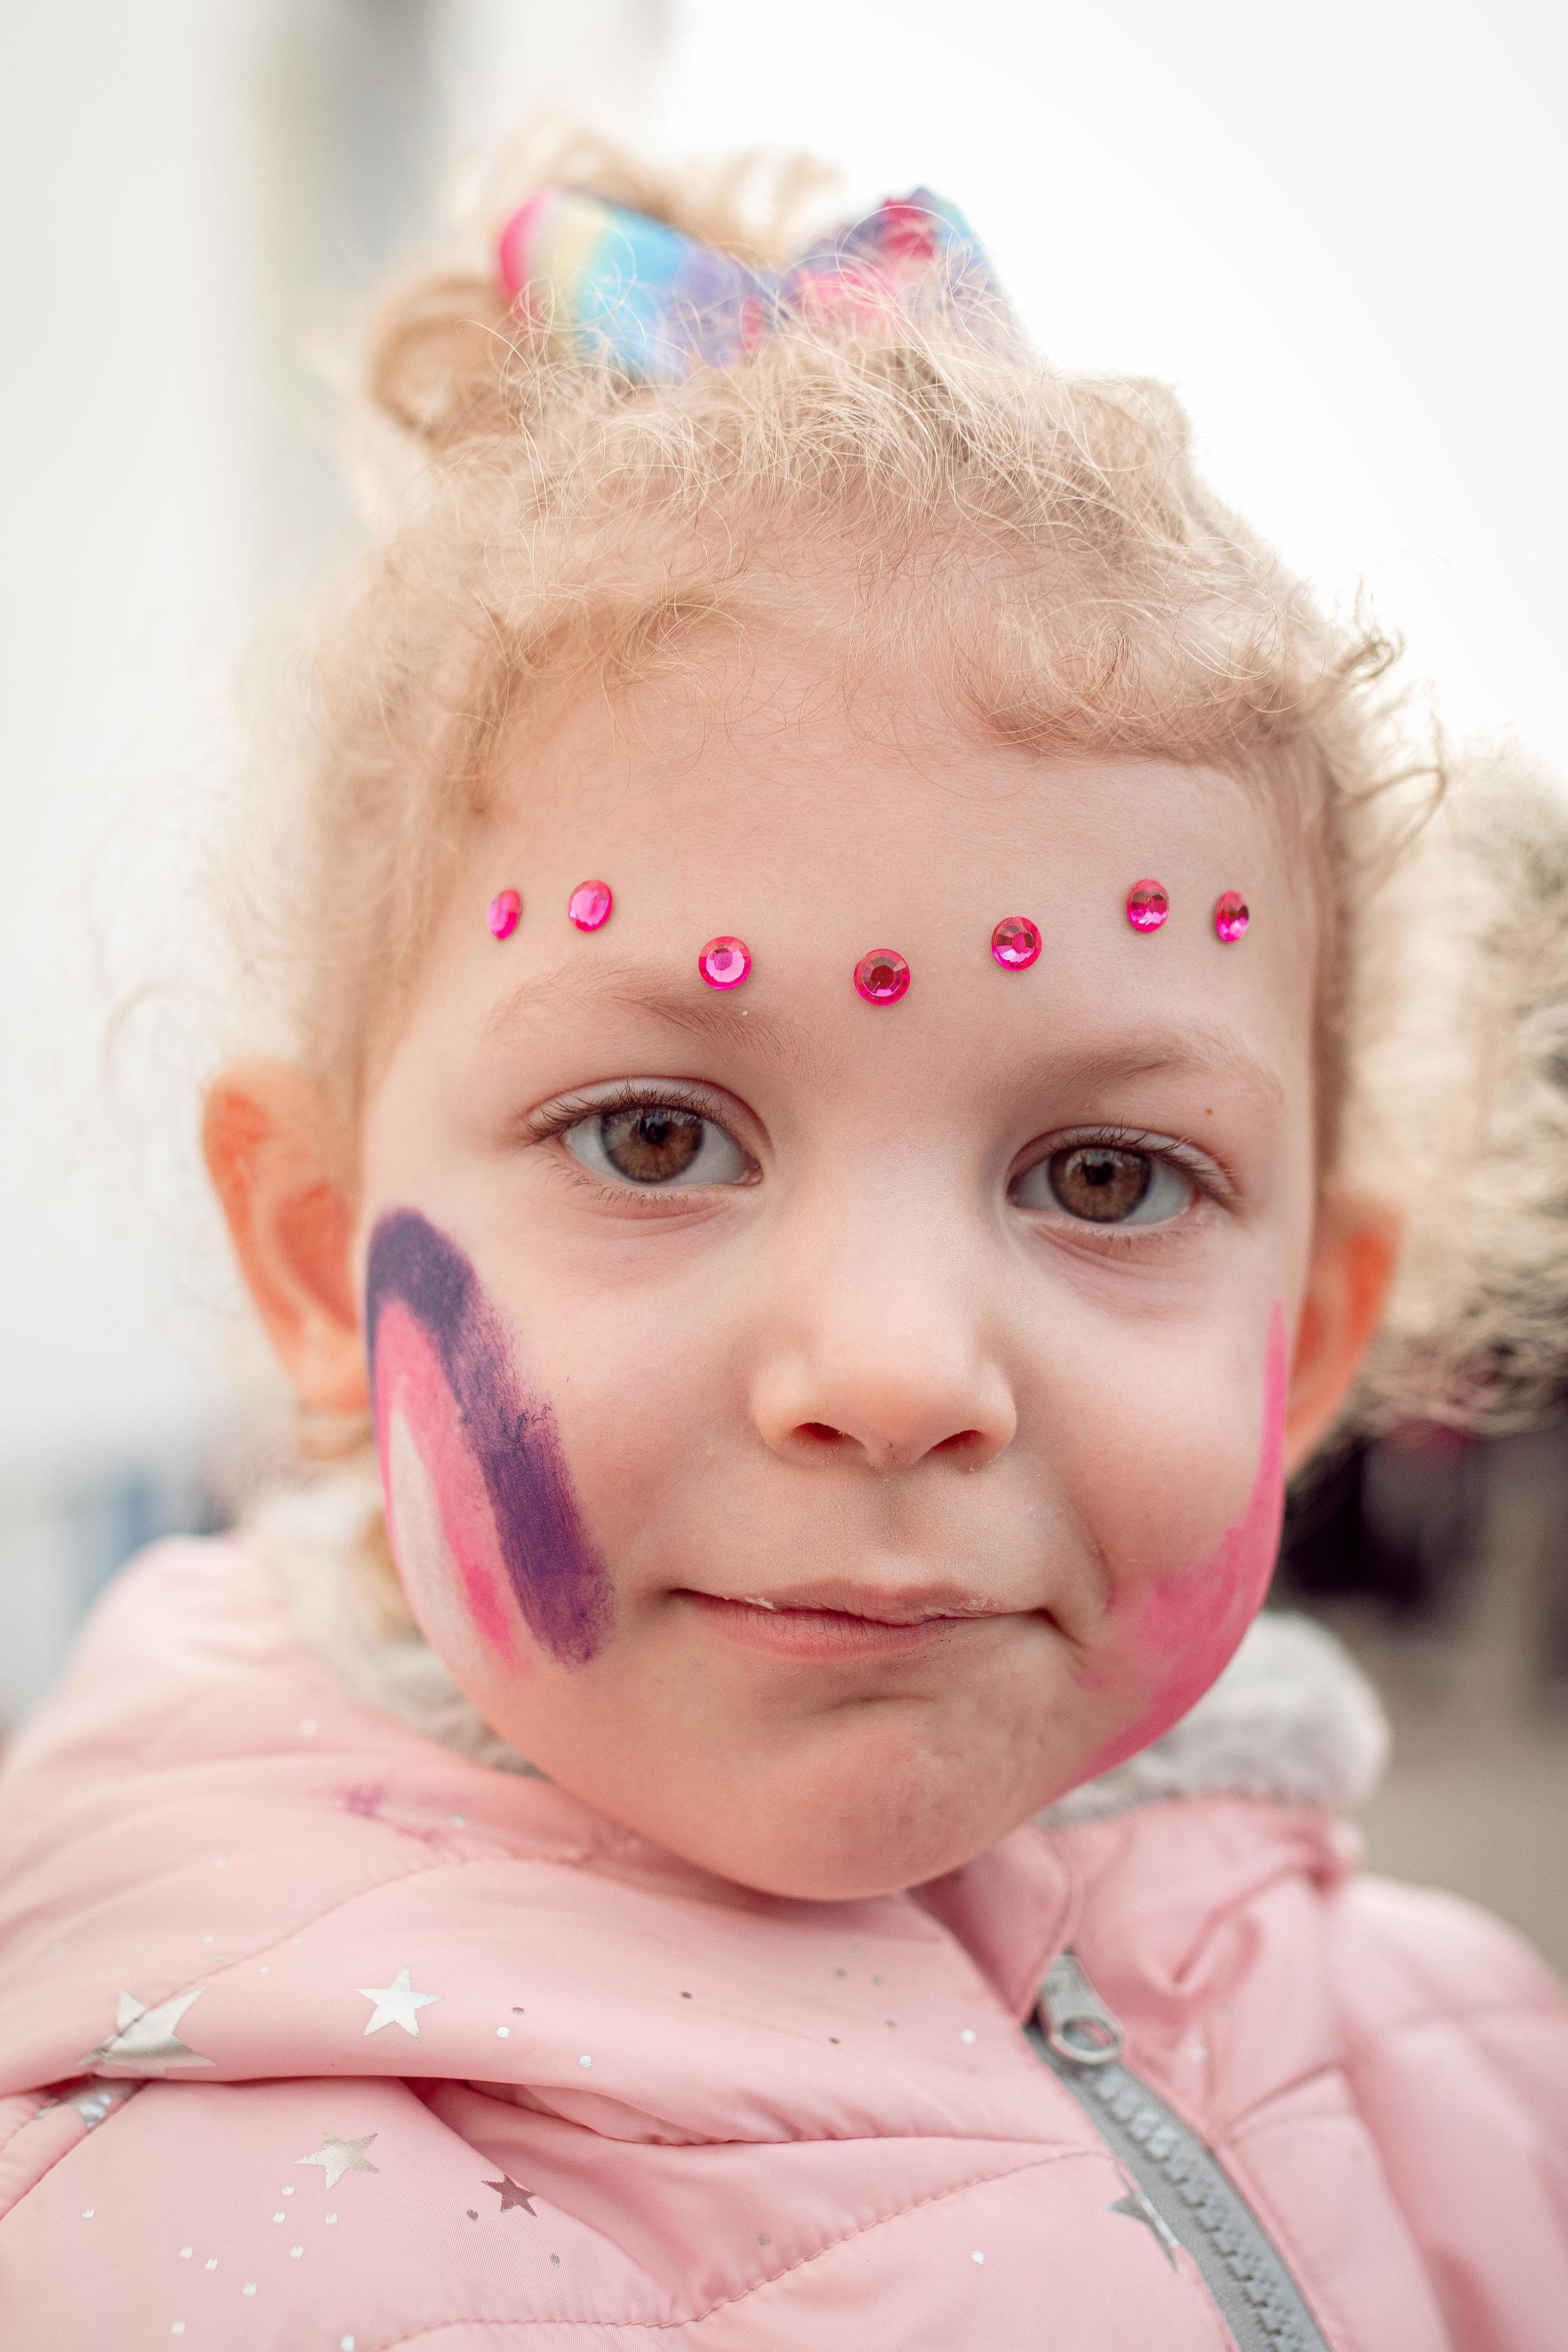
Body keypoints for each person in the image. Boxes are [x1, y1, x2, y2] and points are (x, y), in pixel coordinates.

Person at [1, 137, 1564, 2351]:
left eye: (1104, 1177)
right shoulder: (193, 2231)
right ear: (319, 1265)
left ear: (1308, 1340)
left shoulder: (1466, 2072)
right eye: (657, 1134)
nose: (903, 1365)